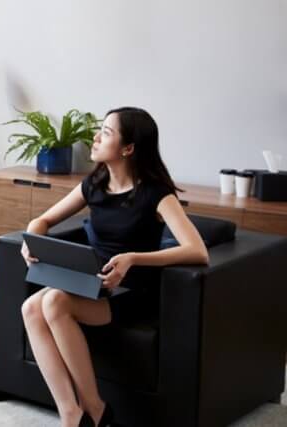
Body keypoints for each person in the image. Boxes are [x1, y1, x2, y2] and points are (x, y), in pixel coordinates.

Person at [20, 107, 209, 427]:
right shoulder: (94, 184)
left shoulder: (155, 193)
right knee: (30, 308)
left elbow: (197, 251)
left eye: (106, 132)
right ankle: (71, 413)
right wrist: (32, 236)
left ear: (128, 148)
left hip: (132, 293)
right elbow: (45, 219)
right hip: (92, 286)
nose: (96, 137)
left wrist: (134, 257)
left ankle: (94, 409)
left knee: (52, 300)